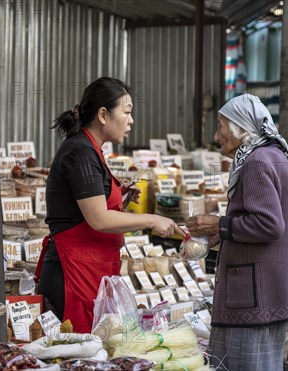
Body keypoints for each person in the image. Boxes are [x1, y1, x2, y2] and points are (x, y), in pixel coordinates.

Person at [36, 77, 185, 333]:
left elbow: (86, 207)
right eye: (126, 112)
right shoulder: (80, 153)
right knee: (79, 351)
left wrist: (120, 198)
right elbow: (99, 219)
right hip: (73, 272)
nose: (131, 120)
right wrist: (152, 219)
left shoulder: (91, 150)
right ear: (103, 115)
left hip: (92, 268)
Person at [185, 94, 288, 370]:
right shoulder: (271, 156)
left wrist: (219, 224)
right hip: (265, 291)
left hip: (253, 296)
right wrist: (221, 233)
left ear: (240, 127)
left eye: (221, 126)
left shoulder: (257, 162)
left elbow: (269, 225)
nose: (216, 136)